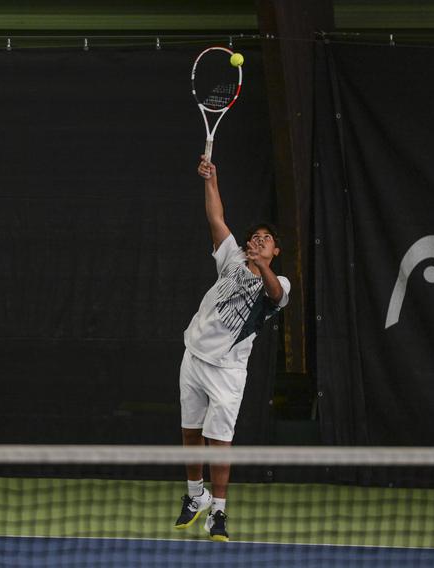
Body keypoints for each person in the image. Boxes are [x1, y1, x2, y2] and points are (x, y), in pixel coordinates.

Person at [173, 155, 291, 542]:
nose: (258, 239)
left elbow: (275, 295)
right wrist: (211, 180)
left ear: (275, 251)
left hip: (227, 370)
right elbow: (216, 219)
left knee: (219, 442)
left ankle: (218, 513)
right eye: (255, 236)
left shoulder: (278, 284)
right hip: (194, 355)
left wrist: (264, 267)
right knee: (191, 433)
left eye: (267, 239)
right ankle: (196, 496)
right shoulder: (232, 259)